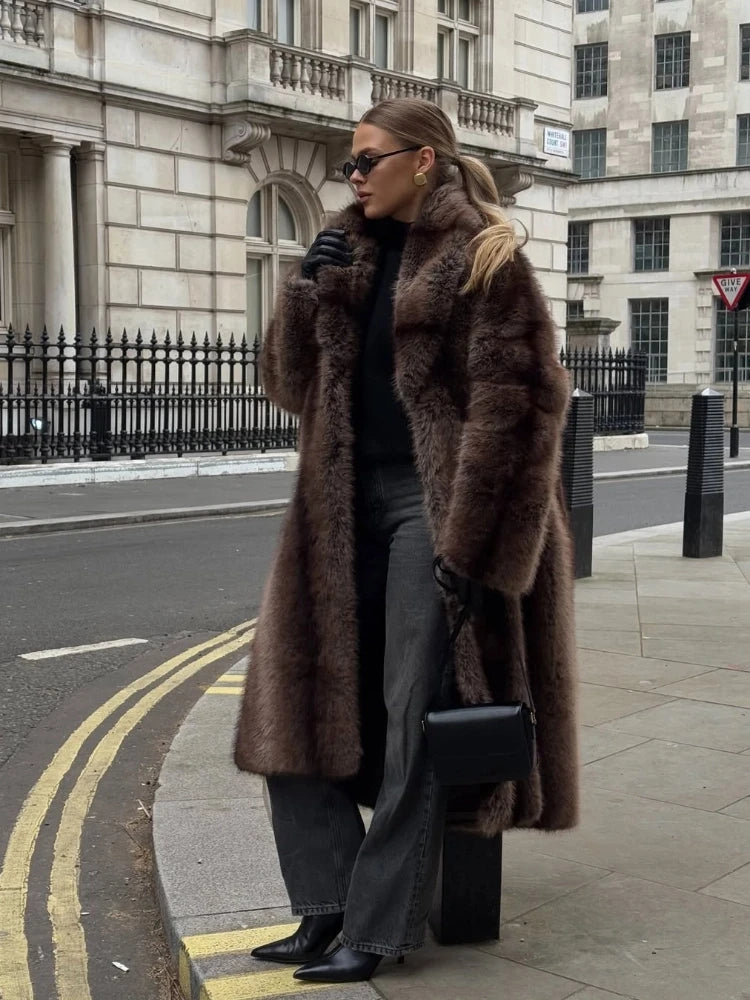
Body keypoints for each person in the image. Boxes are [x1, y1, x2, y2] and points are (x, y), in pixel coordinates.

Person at [234, 97, 579, 984]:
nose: (351, 178)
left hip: (437, 504)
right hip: (338, 508)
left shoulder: (485, 258)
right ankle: (323, 906)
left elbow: (524, 407)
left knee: (409, 720)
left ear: (422, 161)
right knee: (292, 712)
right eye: (348, 166)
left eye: (365, 161)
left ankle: (379, 927)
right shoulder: (343, 253)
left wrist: (474, 550)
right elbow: (288, 388)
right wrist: (302, 293)